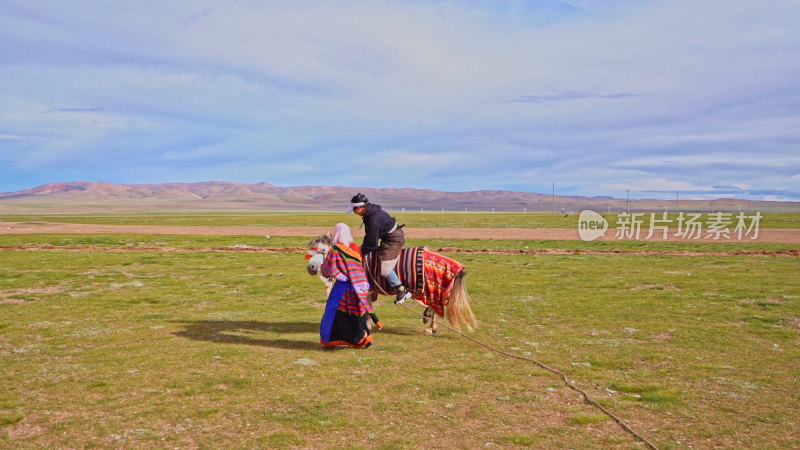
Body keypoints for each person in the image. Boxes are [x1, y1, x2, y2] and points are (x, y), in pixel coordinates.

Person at [318, 223, 376, 348]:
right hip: (357, 286)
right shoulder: (355, 247)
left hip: (341, 287)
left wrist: (335, 273)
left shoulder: (336, 249)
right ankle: (364, 338)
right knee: (356, 313)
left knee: (332, 312)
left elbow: (327, 269)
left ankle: (328, 340)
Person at [347, 193, 412, 303]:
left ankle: (401, 290)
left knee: (385, 267)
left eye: (354, 209)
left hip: (394, 240)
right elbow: (370, 236)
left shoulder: (373, 219)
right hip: (388, 239)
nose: (353, 212)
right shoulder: (370, 214)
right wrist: (363, 248)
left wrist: (362, 251)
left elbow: (372, 242)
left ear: (360, 207)